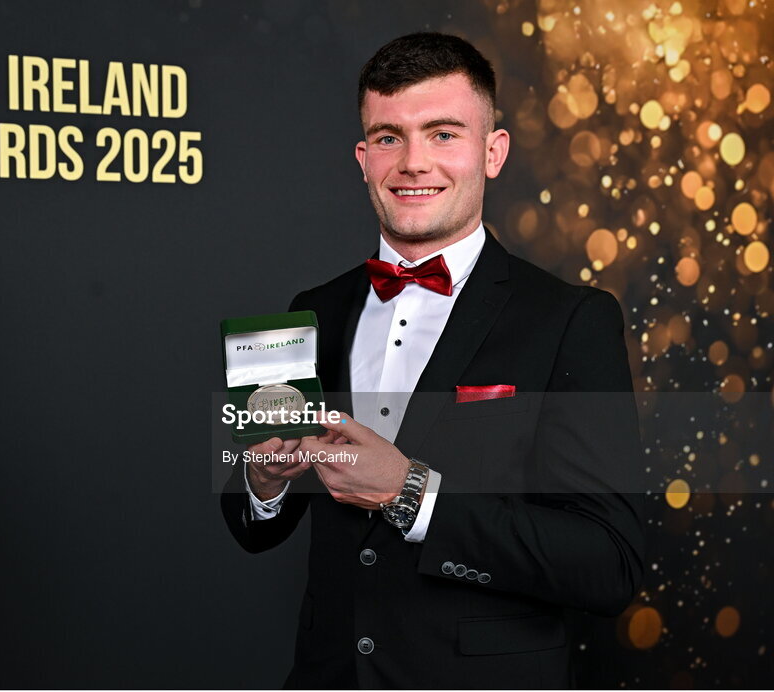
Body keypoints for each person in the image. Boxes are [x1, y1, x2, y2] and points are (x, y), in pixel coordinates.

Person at [221, 32, 645, 689]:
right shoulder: (312, 309)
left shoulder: (570, 320)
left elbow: (607, 563)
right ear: (363, 159)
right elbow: (251, 522)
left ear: (493, 151)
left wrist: (410, 492)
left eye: (444, 134)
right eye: (389, 137)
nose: (413, 162)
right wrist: (265, 483)